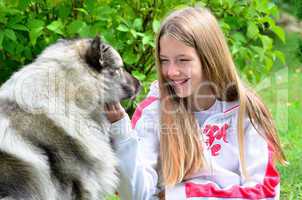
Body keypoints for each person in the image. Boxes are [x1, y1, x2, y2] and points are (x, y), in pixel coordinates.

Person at [105, 6, 287, 200]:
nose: (171, 71)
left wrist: (185, 194)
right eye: (164, 60)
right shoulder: (154, 110)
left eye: (183, 60)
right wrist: (120, 131)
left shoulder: (245, 111)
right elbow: (136, 195)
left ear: (210, 59)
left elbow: (265, 194)